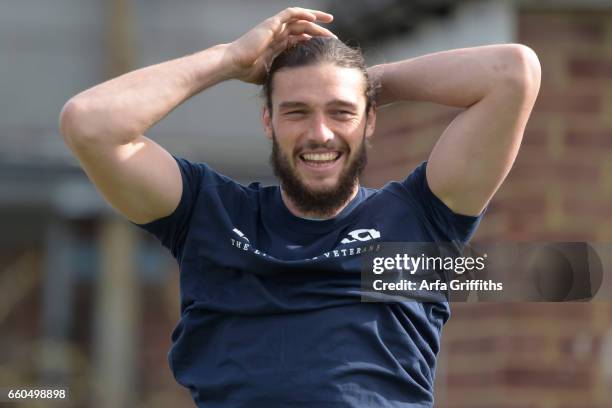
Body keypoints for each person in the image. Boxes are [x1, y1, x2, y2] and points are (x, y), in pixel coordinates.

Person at [59, 7, 540, 408]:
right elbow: (90, 123)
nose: (320, 134)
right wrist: (228, 60)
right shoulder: (212, 214)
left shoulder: (416, 222)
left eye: (341, 113)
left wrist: (361, 82)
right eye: (297, 111)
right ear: (267, 121)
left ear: (369, 121)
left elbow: (513, 72)